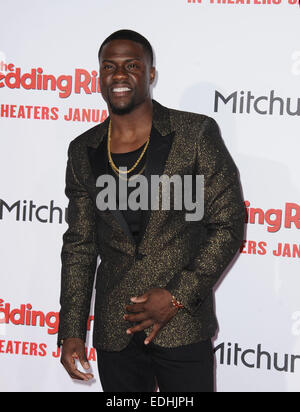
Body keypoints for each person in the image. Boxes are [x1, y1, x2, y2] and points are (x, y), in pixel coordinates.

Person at [58, 29, 245, 392]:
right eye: (109, 66)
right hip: (116, 330)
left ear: (151, 74)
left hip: (182, 325)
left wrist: (176, 295)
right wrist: (71, 329)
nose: (119, 75)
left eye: (131, 65)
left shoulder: (194, 134)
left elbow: (227, 224)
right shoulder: (84, 149)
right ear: (99, 75)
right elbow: (79, 245)